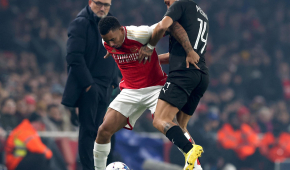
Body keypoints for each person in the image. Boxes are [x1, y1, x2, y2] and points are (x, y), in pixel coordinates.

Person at [93, 16, 194, 170]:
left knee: (164, 122)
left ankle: (192, 158)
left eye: (113, 39)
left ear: (121, 30)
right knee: (103, 130)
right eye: (108, 41)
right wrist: (111, 48)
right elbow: (111, 45)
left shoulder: (140, 34)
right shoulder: (106, 42)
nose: (111, 43)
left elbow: (170, 25)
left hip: (155, 88)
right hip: (130, 91)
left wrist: (188, 48)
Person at [139, 0, 210, 169]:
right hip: (201, 75)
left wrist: (149, 46)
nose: (166, 3)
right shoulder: (202, 15)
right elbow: (177, 54)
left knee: (160, 119)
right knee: (181, 125)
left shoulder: (180, 4)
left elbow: (163, 26)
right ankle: (197, 167)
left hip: (183, 74)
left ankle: (189, 149)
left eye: (167, 1)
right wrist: (152, 59)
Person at [60, 0, 118, 169]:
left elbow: (117, 50)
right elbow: (73, 57)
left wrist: (115, 81)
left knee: (108, 132)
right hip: (91, 86)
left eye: (107, 5)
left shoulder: (112, 22)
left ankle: (104, 167)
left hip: (108, 86)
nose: (103, 8)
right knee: (89, 130)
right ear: (90, 2)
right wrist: (89, 85)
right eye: (99, 3)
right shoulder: (81, 23)